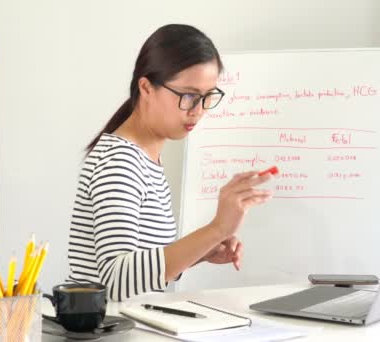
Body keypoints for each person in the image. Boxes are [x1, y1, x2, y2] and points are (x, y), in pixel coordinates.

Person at [68, 24, 273, 301]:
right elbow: (116, 281)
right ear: (146, 88)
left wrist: (203, 249)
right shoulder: (120, 163)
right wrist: (218, 229)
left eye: (207, 97)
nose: (198, 111)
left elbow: (142, 265)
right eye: (188, 96)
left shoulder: (145, 157)